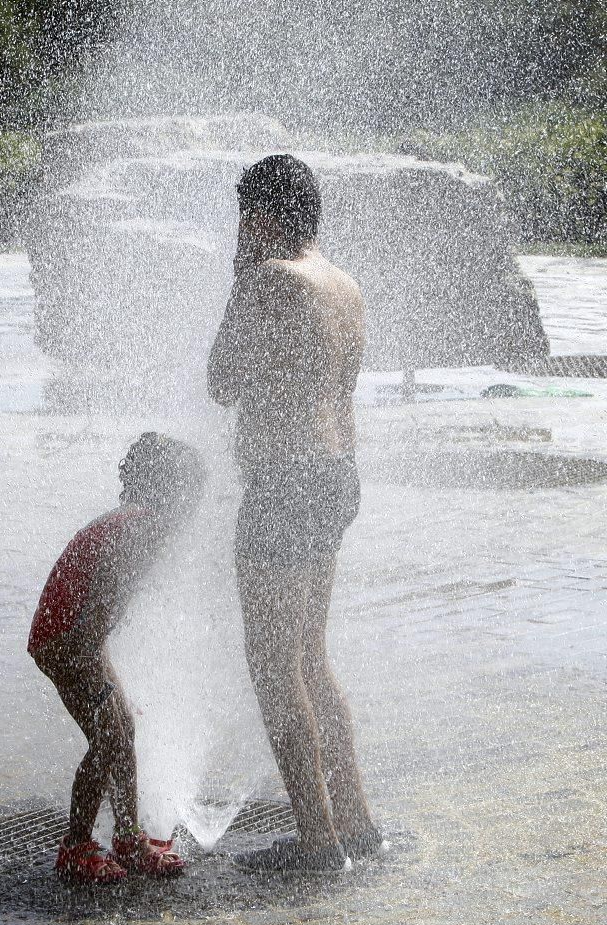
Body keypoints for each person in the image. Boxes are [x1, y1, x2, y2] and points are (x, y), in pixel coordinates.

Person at [207, 154, 381, 872]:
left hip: (285, 482)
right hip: (337, 475)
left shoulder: (271, 281)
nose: (237, 232)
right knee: (310, 656)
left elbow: (220, 381)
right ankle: (357, 823)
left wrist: (237, 278)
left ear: (263, 218)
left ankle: (316, 843)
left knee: (275, 667)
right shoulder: (343, 283)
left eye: (243, 218)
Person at [28, 432, 204, 884]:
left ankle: (127, 837)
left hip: (76, 634)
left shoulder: (136, 521)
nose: (195, 509)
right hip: (67, 640)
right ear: (173, 491)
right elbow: (95, 613)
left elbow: (101, 606)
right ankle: (77, 846)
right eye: (192, 495)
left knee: (122, 731)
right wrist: (100, 687)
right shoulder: (142, 530)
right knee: (110, 738)